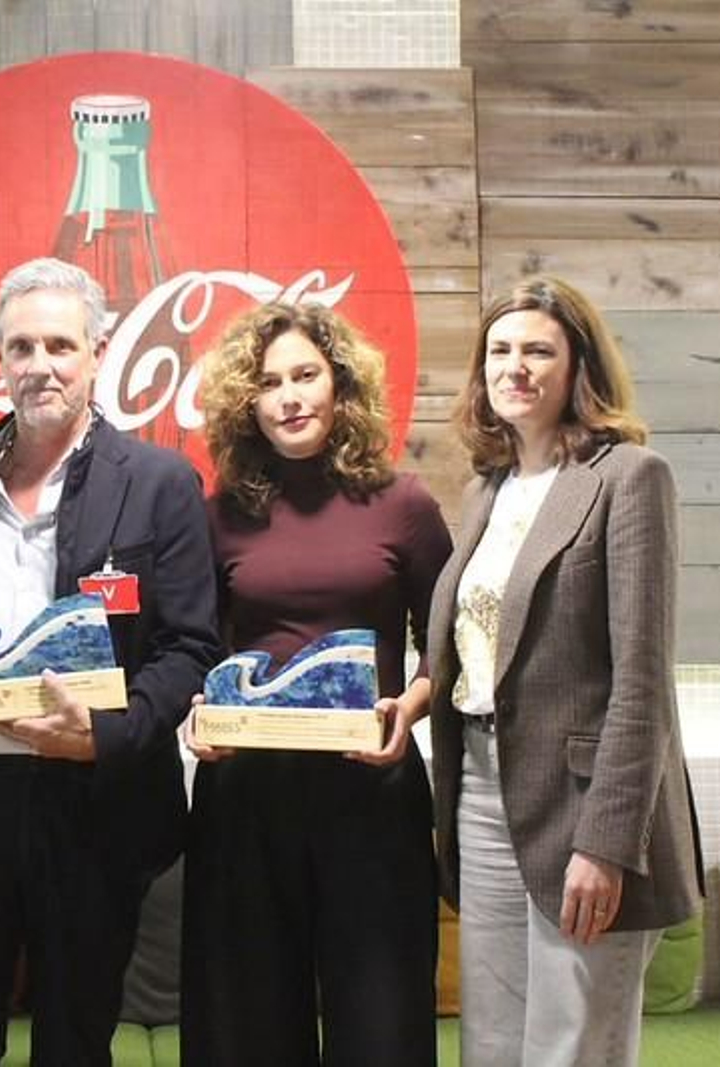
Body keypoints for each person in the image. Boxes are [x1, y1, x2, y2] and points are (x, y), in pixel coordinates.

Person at [0, 257, 221, 1065]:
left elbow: (191, 646)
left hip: (92, 804)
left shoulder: (159, 483)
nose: (38, 365)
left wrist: (106, 733)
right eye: (19, 347)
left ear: (99, 353)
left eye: (58, 345)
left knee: (74, 1041)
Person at [427, 276, 704, 1066]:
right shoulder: (491, 487)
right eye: (500, 351)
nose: (514, 367)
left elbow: (642, 681)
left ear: (577, 366)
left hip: (585, 807)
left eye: (538, 350)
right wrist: (420, 686)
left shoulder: (629, 478)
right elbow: (476, 639)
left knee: (572, 1046)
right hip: (482, 788)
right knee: (492, 1040)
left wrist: (607, 843)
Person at [180, 301, 450, 1066]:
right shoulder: (219, 513)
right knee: (246, 1027)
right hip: (245, 802)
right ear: (247, 402)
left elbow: (450, 642)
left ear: (341, 387)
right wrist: (199, 714)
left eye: (307, 375)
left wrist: (414, 706)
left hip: (372, 796)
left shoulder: (405, 504)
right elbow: (196, 649)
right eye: (270, 383)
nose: (290, 397)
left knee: (383, 1024)